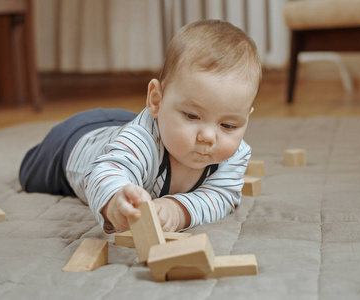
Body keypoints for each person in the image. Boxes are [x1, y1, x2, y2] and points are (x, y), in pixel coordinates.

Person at [19, 19, 261, 233]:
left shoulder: (234, 155)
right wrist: (115, 202)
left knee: (127, 133)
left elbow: (222, 197)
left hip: (123, 124)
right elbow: (105, 171)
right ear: (156, 100)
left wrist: (177, 211)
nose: (208, 136)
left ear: (246, 119)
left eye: (228, 125)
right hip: (73, 142)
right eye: (191, 116)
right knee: (28, 176)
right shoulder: (141, 140)